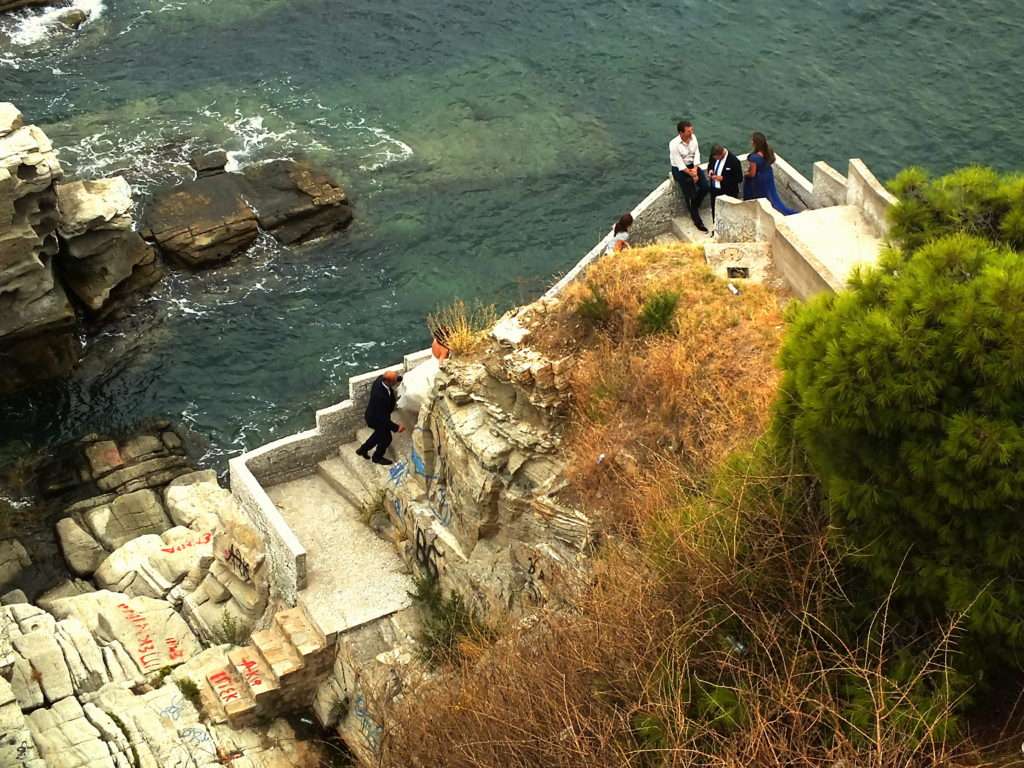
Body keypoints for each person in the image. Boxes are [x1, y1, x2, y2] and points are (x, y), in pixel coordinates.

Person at [356, 370, 405, 465]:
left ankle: (362, 450)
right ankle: (377, 457)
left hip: (377, 415)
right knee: (386, 438)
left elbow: (392, 379)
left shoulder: (380, 379)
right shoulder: (380, 396)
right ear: (389, 382)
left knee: (378, 435)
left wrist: (401, 378)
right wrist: (396, 427)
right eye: (395, 380)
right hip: (376, 419)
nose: (396, 382)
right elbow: (382, 419)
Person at [743, 132, 797, 215]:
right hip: (768, 174)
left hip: (759, 178)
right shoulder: (768, 150)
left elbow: (752, 174)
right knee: (771, 194)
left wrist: (746, 174)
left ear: (755, 143)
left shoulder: (754, 157)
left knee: (761, 195)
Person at [669, 120, 709, 232]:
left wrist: (695, 170)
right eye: (688, 131)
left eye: (691, 130)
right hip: (680, 169)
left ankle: (694, 206)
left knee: (705, 187)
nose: (691, 132)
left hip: (693, 166)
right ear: (681, 133)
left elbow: (697, 154)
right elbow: (679, 163)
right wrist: (691, 174)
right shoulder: (674, 144)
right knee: (690, 194)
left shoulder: (693, 138)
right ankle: (697, 220)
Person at [707, 143, 744, 222]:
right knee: (715, 210)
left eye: (716, 158)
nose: (715, 159)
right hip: (715, 190)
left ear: (721, 154)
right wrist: (710, 170)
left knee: (728, 213)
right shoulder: (714, 156)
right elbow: (710, 165)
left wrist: (723, 178)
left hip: (728, 192)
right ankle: (715, 227)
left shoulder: (734, 161)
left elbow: (739, 178)